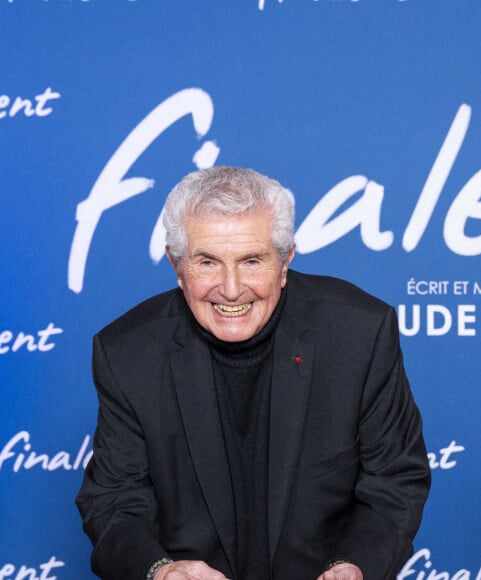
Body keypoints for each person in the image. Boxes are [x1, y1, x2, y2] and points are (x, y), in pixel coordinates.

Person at [76, 166, 430, 580]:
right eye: (207, 261)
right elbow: (114, 501)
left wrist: (352, 567)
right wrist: (160, 572)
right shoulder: (127, 352)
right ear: (176, 264)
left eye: (251, 261)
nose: (230, 289)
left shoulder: (360, 333)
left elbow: (394, 481)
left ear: (285, 261)